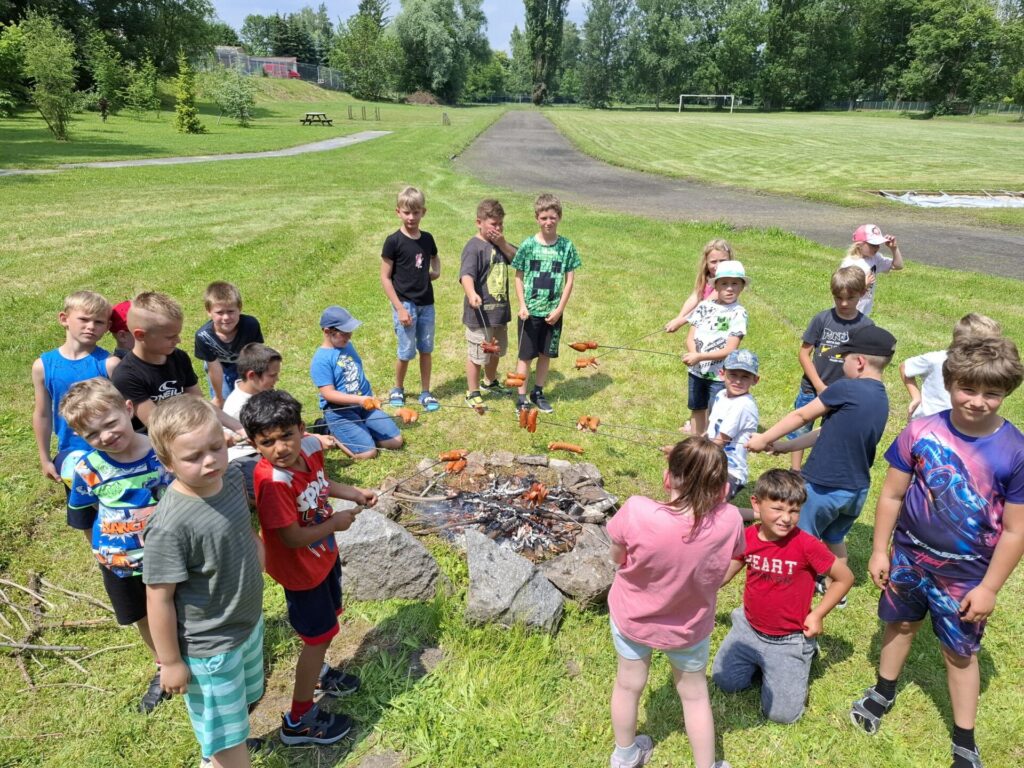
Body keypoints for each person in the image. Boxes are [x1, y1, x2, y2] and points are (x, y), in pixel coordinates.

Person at [850, 336, 1024, 768]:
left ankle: (964, 738)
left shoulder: (1015, 451)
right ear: (948, 383)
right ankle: (883, 690)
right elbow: (892, 495)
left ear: (1008, 392)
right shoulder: (921, 430)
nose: (978, 401)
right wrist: (879, 550)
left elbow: (1015, 530)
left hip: (966, 576)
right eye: (968, 388)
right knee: (899, 624)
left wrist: (989, 588)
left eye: (992, 393)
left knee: (959, 653)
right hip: (908, 558)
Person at [240, 389, 377, 746]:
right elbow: (291, 538)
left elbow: (320, 484)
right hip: (300, 571)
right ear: (253, 444)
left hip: (322, 557)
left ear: (302, 429)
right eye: (267, 442)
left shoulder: (312, 449)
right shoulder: (274, 482)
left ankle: (318, 672)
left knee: (327, 625)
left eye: (287, 435)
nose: (280, 448)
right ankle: (298, 721)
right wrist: (335, 523)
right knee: (320, 636)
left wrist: (354, 492)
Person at [606, 437, 743, 768]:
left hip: (632, 618)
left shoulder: (636, 509)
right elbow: (735, 558)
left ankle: (624, 756)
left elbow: (617, 557)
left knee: (628, 685)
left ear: (667, 478)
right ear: (724, 490)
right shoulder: (731, 519)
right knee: (694, 696)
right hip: (688, 627)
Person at [144, 396, 265, 768]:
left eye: (215, 447)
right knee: (229, 741)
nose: (210, 460)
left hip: (246, 623)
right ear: (167, 463)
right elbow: (159, 598)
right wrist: (170, 662)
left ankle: (217, 754)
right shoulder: (170, 526)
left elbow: (240, 525)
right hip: (210, 647)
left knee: (242, 706)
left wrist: (257, 550)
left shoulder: (230, 477)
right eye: (193, 457)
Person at [748, 324, 896, 595]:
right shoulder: (880, 398)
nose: (841, 365)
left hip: (824, 486)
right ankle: (834, 588)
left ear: (859, 362)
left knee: (798, 537)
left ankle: (788, 588)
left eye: (845, 358)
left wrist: (763, 437)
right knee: (835, 538)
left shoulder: (846, 388)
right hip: (856, 490)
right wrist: (786, 446)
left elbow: (802, 415)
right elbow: (826, 431)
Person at [60, 378, 173, 713]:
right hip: (120, 563)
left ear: (128, 409)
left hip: (171, 557)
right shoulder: (87, 469)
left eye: (110, 423)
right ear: (80, 436)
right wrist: (104, 556)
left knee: (180, 609)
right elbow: (83, 517)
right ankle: (162, 665)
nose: (106, 436)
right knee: (141, 615)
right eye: (93, 434)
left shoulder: (163, 451)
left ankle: (190, 657)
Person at [711, 469, 854, 724]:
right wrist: (697, 591)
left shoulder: (807, 545)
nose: (786, 518)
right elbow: (725, 573)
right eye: (777, 509)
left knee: (782, 715)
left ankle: (801, 656)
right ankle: (763, 664)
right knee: (725, 682)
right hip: (748, 629)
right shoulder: (748, 536)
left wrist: (817, 615)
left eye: (794, 511)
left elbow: (845, 578)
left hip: (788, 639)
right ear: (756, 504)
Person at [111, 291, 243, 435]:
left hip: (189, 427)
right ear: (140, 335)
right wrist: (210, 436)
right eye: (170, 337)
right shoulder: (126, 376)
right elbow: (159, 427)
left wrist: (238, 428)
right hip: (156, 441)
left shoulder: (178, 357)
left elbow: (198, 403)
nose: (178, 340)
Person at [786, 267, 873, 472]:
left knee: (830, 432)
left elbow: (865, 363)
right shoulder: (822, 319)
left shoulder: (866, 326)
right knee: (801, 428)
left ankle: (818, 469)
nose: (844, 303)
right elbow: (804, 354)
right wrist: (818, 385)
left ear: (862, 293)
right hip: (811, 388)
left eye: (850, 298)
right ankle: (795, 471)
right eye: (838, 298)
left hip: (842, 392)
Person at [32, 290, 118, 487]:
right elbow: (42, 414)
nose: (91, 326)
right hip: (72, 456)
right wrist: (45, 458)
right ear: (64, 319)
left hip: (111, 452)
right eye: (84, 319)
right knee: (80, 506)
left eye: (99, 322)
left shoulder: (109, 364)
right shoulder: (43, 366)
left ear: (108, 327)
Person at [510, 193, 581, 414]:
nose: (548, 222)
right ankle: (521, 397)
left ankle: (538, 392)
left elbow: (569, 280)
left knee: (545, 354)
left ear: (559, 217)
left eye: (552, 217)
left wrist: (559, 309)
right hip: (530, 313)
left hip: (552, 314)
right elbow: (518, 277)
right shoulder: (528, 246)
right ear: (536, 218)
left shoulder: (566, 247)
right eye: (543, 218)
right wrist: (522, 305)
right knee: (525, 356)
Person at [310, 306, 403, 460]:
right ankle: (329, 430)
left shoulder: (346, 345)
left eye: (350, 332)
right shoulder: (321, 360)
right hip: (340, 412)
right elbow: (328, 394)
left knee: (395, 442)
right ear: (327, 331)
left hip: (364, 406)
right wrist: (359, 399)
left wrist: (365, 399)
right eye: (344, 333)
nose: (349, 336)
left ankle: (362, 433)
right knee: (368, 453)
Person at [381, 186, 441, 412]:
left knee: (426, 349)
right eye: (406, 212)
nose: (411, 217)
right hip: (405, 304)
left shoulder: (427, 239)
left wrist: (436, 271)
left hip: (426, 304)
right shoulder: (393, 241)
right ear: (398, 211)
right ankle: (398, 388)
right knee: (405, 351)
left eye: (416, 212)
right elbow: (385, 277)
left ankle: (426, 391)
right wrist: (399, 308)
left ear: (423, 212)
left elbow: (434, 257)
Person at [460, 198, 517, 410]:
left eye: (501, 224)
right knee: (477, 354)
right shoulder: (473, 247)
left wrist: (503, 243)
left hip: (499, 313)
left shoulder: (501, 245)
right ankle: (472, 391)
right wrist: (471, 293)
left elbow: (518, 259)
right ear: (479, 222)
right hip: (479, 315)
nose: (498, 228)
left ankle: (490, 382)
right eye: (494, 224)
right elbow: (466, 275)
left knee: (495, 350)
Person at [682, 260, 749, 436]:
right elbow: (690, 336)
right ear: (715, 286)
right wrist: (693, 354)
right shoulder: (703, 307)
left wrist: (699, 357)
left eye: (735, 284)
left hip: (719, 376)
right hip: (696, 372)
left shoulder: (738, 313)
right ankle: (696, 444)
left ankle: (712, 446)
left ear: (742, 287)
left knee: (716, 413)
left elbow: (730, 349)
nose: (729, 288)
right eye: (724, 283)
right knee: (697, 408)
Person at [899, 313, 1002, 421]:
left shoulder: (987, 368)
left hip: (962, 423)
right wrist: (916, 397)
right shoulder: (937, 359)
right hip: (927, 421)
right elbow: (905, 367)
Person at [223, 343, 283, 495]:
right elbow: (266, 438)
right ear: (252, 376)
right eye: (272, 375)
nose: (277, 379)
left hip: (265, 446)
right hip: (245, 455)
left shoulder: (261, 389)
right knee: (271, 488)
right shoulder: (240, 406)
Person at [193, 281, 264, 408]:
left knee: (252, 399)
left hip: (246, 363)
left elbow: (256, 355)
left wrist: (258, 384)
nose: (226, 317)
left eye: (231, 311)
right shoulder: (204, 336)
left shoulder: (250, 325)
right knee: (225, 402)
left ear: (239, 308)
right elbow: (214, 368)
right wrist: (219, 397)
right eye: (219, 312)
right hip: (219, 367)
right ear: (209, 311)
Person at [706, 348, 760, 505]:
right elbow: (711, 431)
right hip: (712, 461)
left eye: (745, 376)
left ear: (755, 380)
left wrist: (688, 456)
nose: (738, 381)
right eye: (733, 375)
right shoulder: (720, 395)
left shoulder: (743, 405)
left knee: (709, 506)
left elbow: (719, 441)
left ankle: (756, 515)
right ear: (722, 373)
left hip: (730, 472)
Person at [664, 238, 734, 333]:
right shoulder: (707, 277)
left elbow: (705, 306)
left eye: (723, 261)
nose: (718, 265)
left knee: (718, 341)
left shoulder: (725, 283)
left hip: (721, 321)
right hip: (704, 318)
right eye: (713, 261)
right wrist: (679, 317)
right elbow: (695, 297)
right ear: (706, 262)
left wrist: (681, 322)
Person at [839, 224, 904, 316]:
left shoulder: (875, 258)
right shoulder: (850, 263)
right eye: (873, 245)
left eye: (878, 244)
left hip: (864, 311)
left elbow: (898, 266)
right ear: (860, 245)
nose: (877, 248)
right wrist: (864, 285)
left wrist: (894, 248)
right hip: (848, 311)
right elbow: (843, 290)